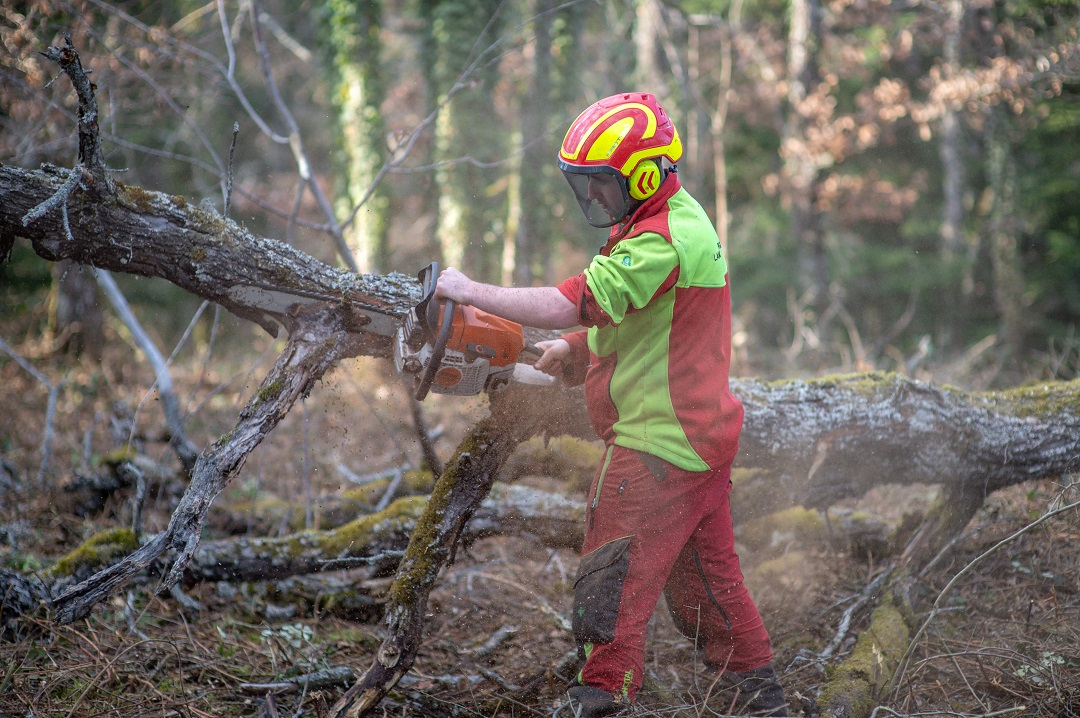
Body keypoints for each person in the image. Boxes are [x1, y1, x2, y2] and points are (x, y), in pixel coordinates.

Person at [435, 92, 787, 718]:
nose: (594, 199)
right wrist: (576, 349)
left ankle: (599, 697)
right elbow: (641, 316)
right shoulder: (668, 218)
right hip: (700, 441)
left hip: (659, 446)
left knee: (610, 586)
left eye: (602, 185)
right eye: (586, 185)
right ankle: (760, 701)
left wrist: (468, 290)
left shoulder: (662, 238)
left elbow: (577, 299)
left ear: (645, 174)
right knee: (708, 587)